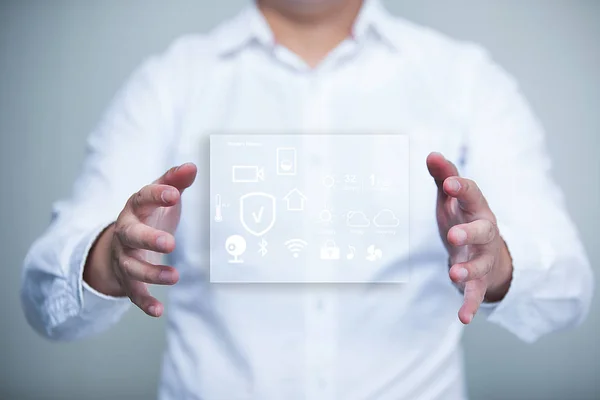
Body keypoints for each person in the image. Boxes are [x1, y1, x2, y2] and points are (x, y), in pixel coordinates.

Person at [21, 0, 593, 399]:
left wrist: (498, 266)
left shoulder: (466, 80)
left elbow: (571, 288)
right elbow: (44, 295)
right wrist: (107, 260)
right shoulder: (170, 83)